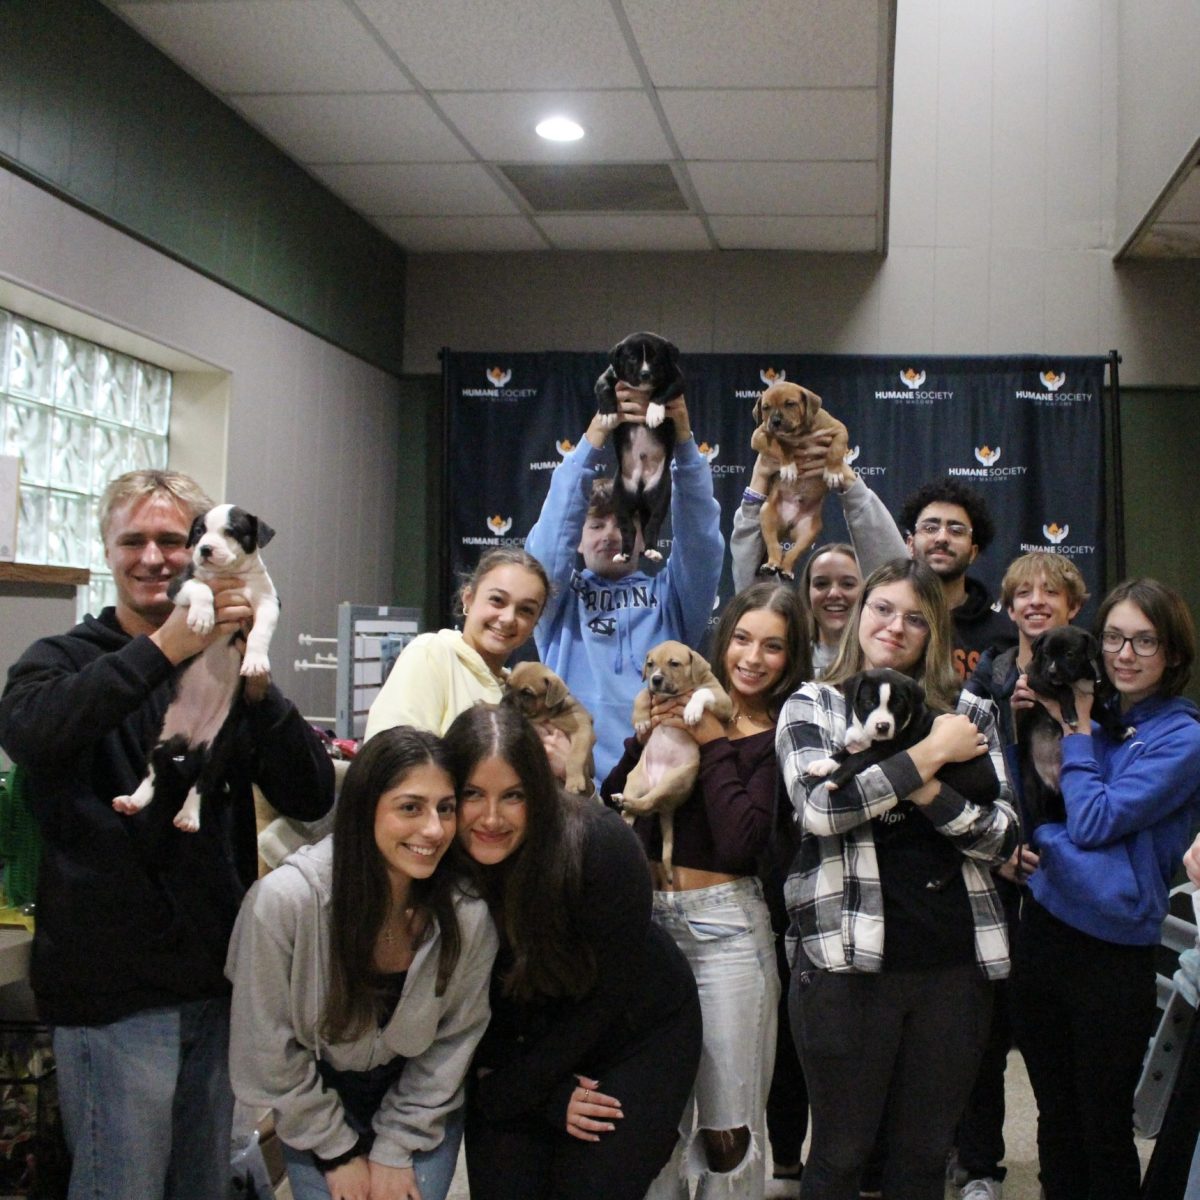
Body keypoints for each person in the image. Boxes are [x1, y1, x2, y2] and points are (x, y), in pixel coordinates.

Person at [0, 469, 334, 1200]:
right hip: (113, 1000)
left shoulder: (230, 662)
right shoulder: (61, 660)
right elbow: (31, 731)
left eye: (170, 539)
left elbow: (312, 794)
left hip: (216, 987)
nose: (154, 556)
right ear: (107, 553)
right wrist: (162, 650)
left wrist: (254, 681)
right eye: (133, 541)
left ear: (205, 547)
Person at [776, 559, 1018, 1200]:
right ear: (859, 613)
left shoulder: (970, 710)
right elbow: (822, 809)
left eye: (916, 617)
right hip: (844, 964)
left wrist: (921, 787)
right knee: (841, 1153)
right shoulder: (816, 704)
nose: (895, 626)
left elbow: (1001, 835)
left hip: (953, 964)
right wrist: (932, 754)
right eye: (882, 607)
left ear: (935, 630)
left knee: (924, 1156)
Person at [226, 726, 498, 1200]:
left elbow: (454, 1041)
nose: (434, 829)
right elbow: (267, 1050)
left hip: (419, 1096)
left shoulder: (466, 912)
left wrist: (395, 1147)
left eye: (446, 808)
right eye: (410, 807)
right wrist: (335, 1152)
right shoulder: (284, 903)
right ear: (363, 808)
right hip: (314, 1092)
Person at [444, 703, 703, 1200]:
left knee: (587, 1185)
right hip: (510, 1042)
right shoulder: (435, 858)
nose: (491, 818)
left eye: (513, 796)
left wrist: (520, 1090)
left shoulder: (602, 846)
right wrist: (533, 1094)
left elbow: (606, 999)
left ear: (538, 794)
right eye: (472, 794)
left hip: (630, 1027)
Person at [601, 581, 809, 1198]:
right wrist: (644, 742)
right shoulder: (670, 703)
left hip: (727, 930)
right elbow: (618, 802)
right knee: (652, 1122)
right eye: (742, 638)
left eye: (773, 647)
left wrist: (714, 739)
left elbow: (743, 843)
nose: (752, 657)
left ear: (790, 657)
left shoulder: (780, 734)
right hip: (651, 925)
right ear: (721, 643)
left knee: (728, 1128)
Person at [1009, 577, 1200, 1200]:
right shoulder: (1092, 713)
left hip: (1112, 949)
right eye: (1115, 637)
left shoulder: (1181, 736)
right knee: (1055, 1116)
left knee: (1103, 1123)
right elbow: (1035, 801)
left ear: (1171, 653)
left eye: (1145, 641)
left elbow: (1088, 820)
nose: (1124, 654)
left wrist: (1051, 840)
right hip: (1043, 931)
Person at [951, 551, 1089, 1200]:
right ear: (1008, 609)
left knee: (1053, 1044)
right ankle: (980, 1168)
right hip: (997, 876)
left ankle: (1066, 1171)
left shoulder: (1098, 679)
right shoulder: (989, 675)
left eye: (1050, 593)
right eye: (1023, 594)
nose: (1036, 602)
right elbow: (963, 769)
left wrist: (1068, 709)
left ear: (1073, 607)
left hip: (1068, 879)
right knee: (983, 1037)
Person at [523, 382, 722, 779]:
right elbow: (547, 545)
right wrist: (597, 433)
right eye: (595, 524)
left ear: (644, 535)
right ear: (576, 540)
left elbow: (700, 541)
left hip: (653, 784)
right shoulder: (557, 601)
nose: (610, 535)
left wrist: (682, 443)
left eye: (624, 523)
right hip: (571, 784)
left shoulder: (671, 597)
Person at [365, 547, 550, 739]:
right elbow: (392, 757)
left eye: (526, 610)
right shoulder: (431, 654)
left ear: (535, 623)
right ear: (468, 599)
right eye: (497, 600)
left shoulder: (518, 692)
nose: (508, 618)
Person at [730, 452, 903, 600]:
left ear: (867, 588)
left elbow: (896, 580)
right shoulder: (787, 637)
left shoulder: (880, 635)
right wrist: (758, 482)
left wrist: (850, 482)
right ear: (807, 591)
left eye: (848, 584)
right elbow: (752, 589)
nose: (834, 593)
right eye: (821, 584)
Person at [899, 479, 1015, 680]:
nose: (942, 537)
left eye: (956, 530)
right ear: (910, 544)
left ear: (973, 552)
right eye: (930, 528)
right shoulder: (888, 624)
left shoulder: (1003, 636)